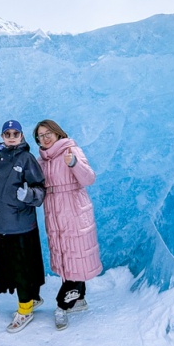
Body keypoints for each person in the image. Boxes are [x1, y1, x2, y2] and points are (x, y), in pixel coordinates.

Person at [34, 119, 102, 331]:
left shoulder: (71, 150)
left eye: (48, 133)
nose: (45, 138)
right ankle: (79, 299)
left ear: (57, 133)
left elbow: (89, 178)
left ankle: (62, 305)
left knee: (75, 253)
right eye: (40, 135)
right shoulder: (42, 159)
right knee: (66, 255)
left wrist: (74, 163)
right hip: (54, 209)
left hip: (73, 208)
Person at [0, 119, 46, 333]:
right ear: (2, 137)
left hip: (22, 224)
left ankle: (25, 309)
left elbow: (40, 190)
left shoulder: (27, 158)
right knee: (16, 268)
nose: (11, 137)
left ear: (22, 136)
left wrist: (29, 195)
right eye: (7, 134)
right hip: (3, 225)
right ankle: (32, 299)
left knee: (23, 269)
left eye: (15, 134)